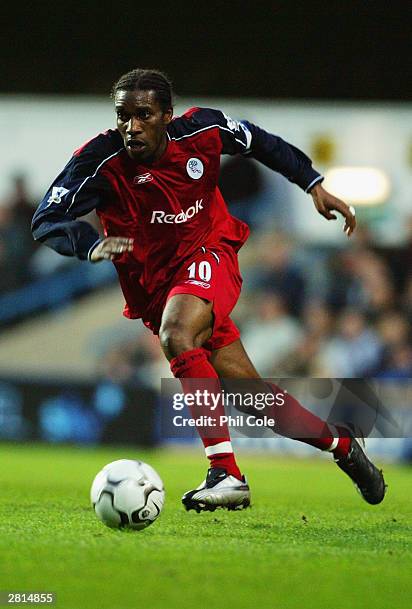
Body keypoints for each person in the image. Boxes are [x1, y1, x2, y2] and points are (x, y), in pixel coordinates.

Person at [32, 68, 386, 512]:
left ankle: (226, 473)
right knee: (252, 397)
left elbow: (261, 142)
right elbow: (46, 219)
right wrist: (88, 244)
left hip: (211, 252)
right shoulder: (98, 161)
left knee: (176, 334)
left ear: (167, 115)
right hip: (154, 286)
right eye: (123, 115)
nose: (131, 126)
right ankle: (342, 447)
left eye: (143, 115)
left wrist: (312, 182)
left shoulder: (203, 129)